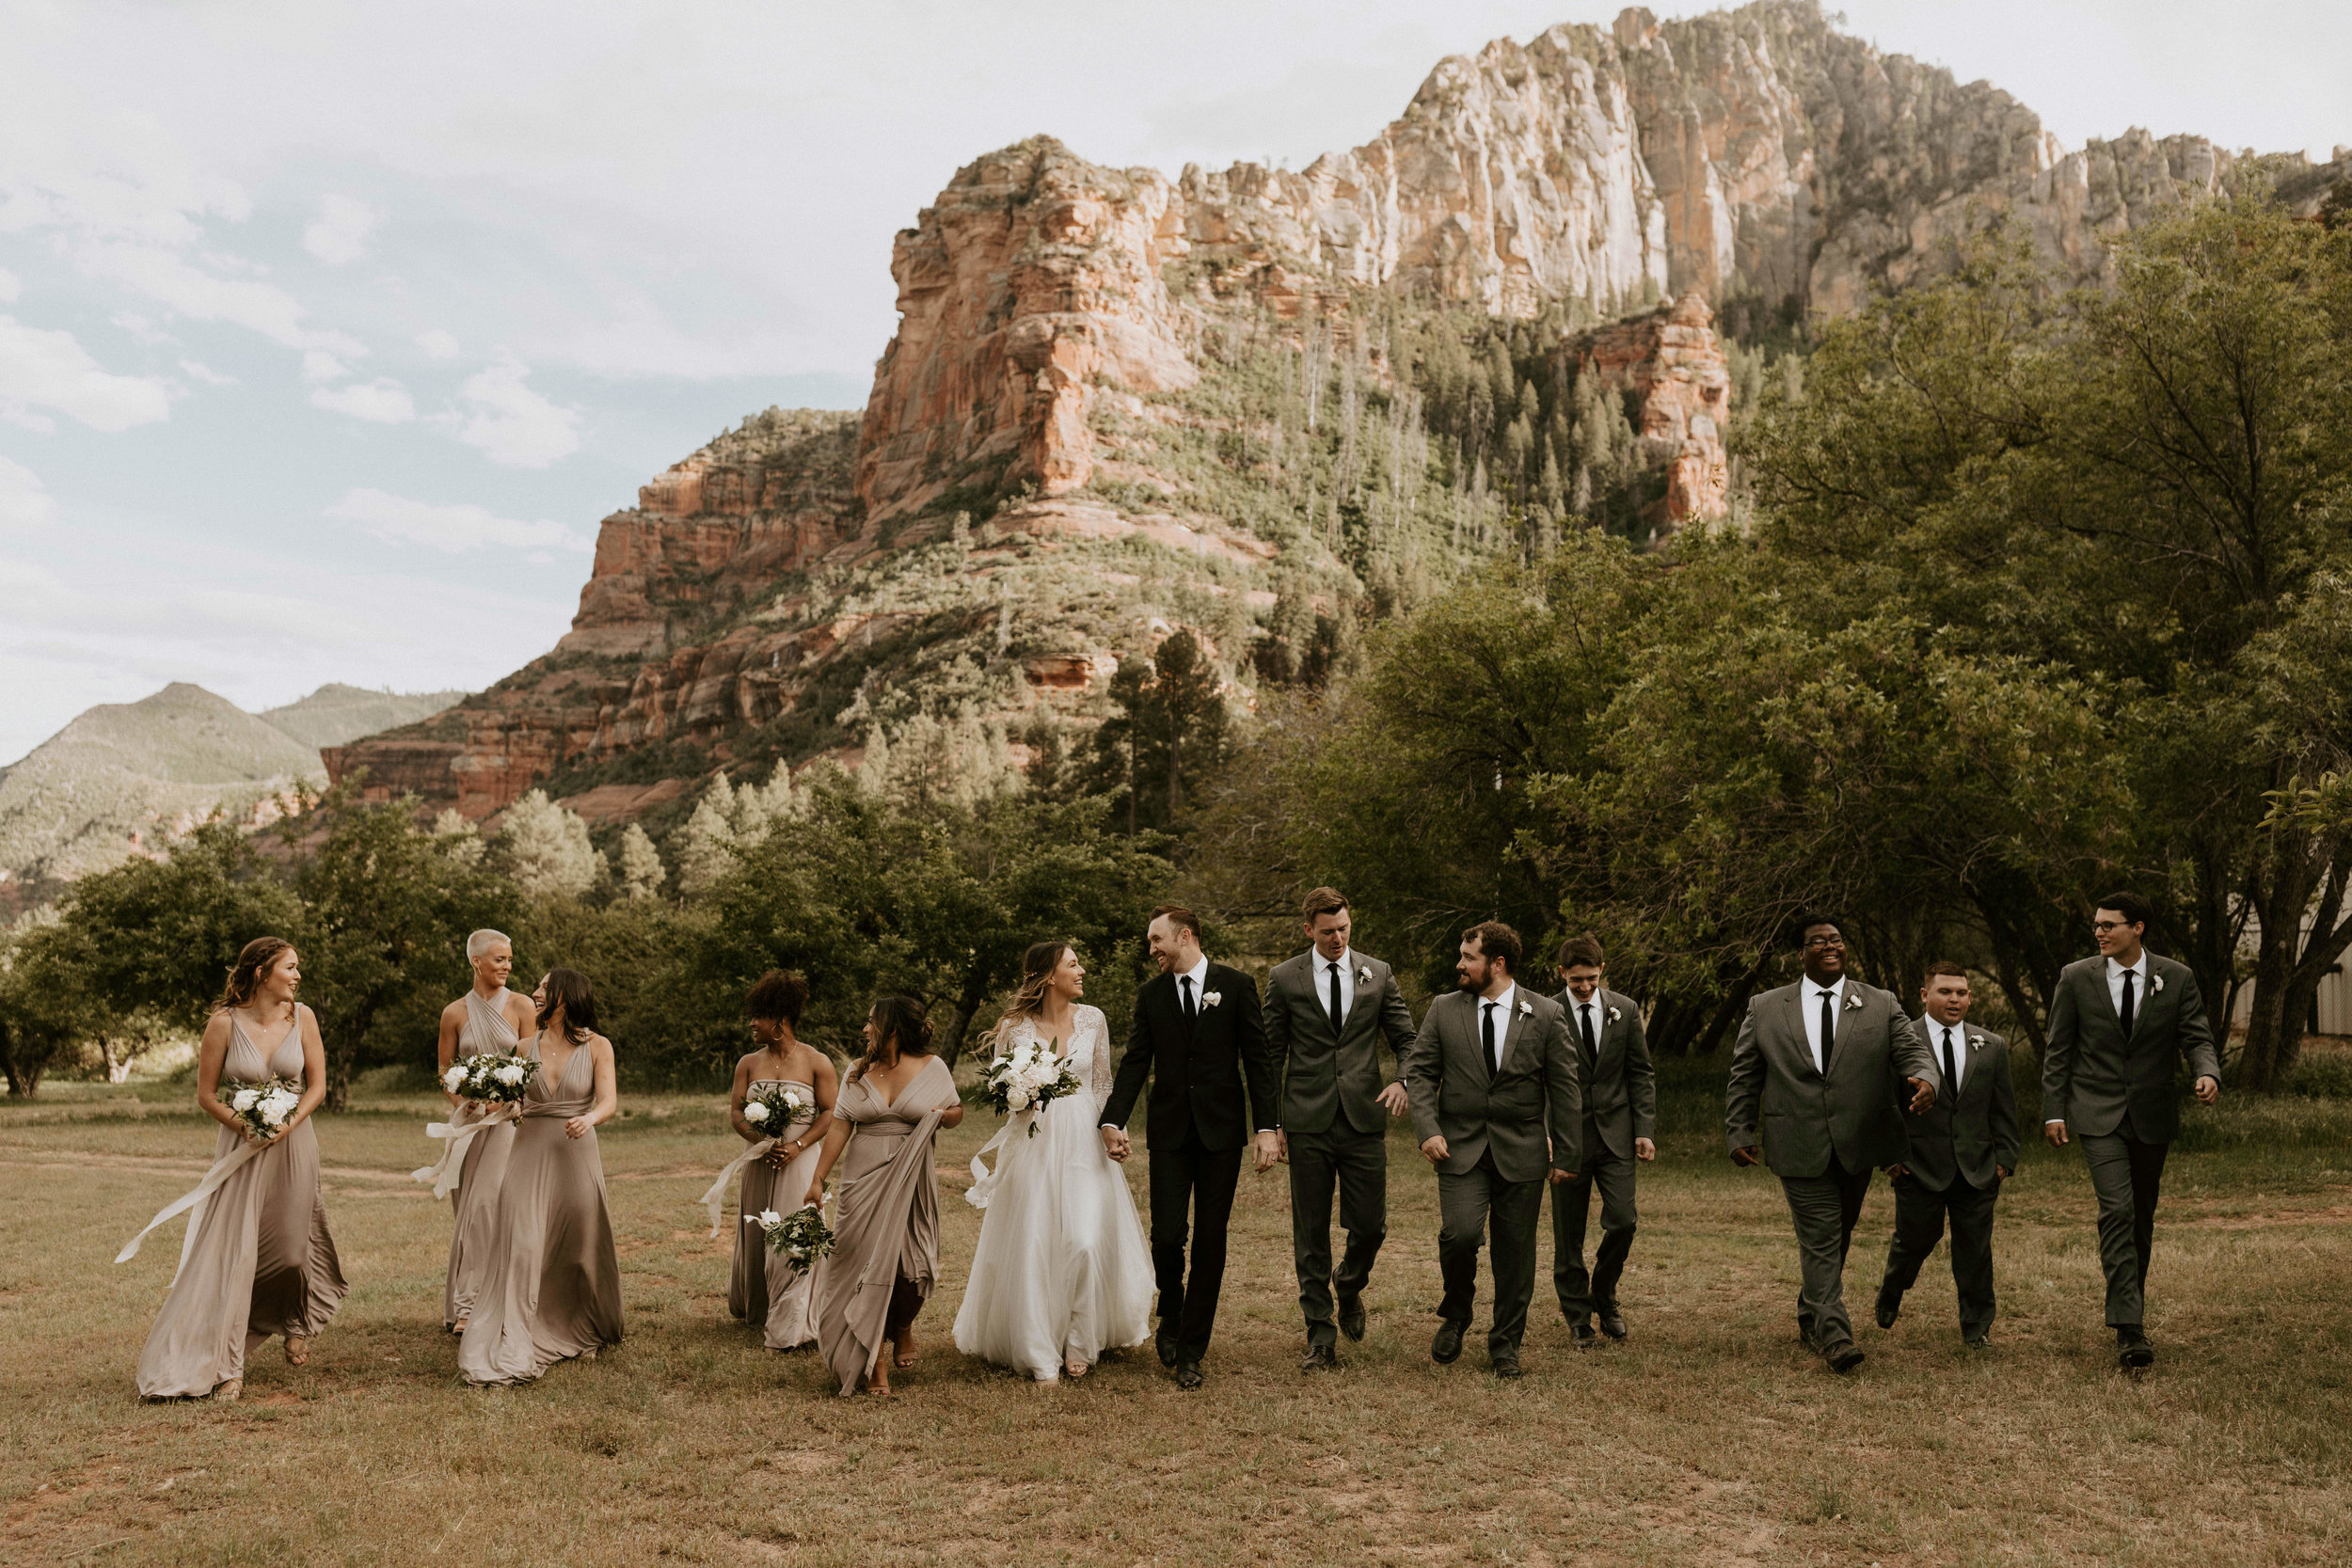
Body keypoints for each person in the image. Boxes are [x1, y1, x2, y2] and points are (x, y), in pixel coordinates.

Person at [135, 937, 347, 1402]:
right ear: (260, 972)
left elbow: (318, 1086)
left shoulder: (303, 1017)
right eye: (290, 967)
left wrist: (285, 1124)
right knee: (238, 1255)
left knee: (292, 1252)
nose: (297, 976)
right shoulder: (223, 1024)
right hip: (242, 1144)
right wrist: (247, 1124)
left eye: (297, 968)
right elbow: (207, 1095)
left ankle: (292, 1319)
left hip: (295, 1144)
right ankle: (229, 1367)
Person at [1726, 913, 1937, 1373]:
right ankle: (1836, 1336)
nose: (1830, 946)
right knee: (1821, 1236)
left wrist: (1926, 1078)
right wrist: (1739, 1130)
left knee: (1838, 1234)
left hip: (1860, 1141)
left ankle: (1811, 1310)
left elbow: (1911, 1049)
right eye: (1818, 941)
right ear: (1800, 954)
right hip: (1796, 1140)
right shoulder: (1765, 1007)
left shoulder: (1879, 1002)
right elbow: (1746, 1074)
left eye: (1837, 940)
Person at [954, 942, 1153, 1381]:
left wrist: (1114, 1129)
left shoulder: (1094, 1019)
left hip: (1084, 1138)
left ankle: (1080, 1339)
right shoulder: (1014, 1027)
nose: (1082, 970)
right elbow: (1003, 1091)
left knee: (1083, 1241)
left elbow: (1102, 1085)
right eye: (1073, 964)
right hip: (1034, 1141)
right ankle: (1038, 1342)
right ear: (1048, 976)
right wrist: (1020, 1092)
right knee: (1036, 1241)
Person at [1099, 905, 1279, 1390]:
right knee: (1167, 1237)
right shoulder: (1151, 995)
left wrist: (1267, 1127)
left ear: (1185, 936)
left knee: (1210, 1241)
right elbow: (1136, 1061)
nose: (1151, 949)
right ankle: (1172, 1313)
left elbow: (1258, 1061)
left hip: (1221, 1135)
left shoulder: (1237, 985)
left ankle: (1192, 1349)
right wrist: (1113, 1117)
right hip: (1170, 1132)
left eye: (1157, 940)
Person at [2041, 893, 2221, 1370]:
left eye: (2109, 925)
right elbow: (2059, 1049)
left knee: (2141, 1215)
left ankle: (2128, 1311)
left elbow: (2196, 1035)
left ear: (2137, 928)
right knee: (2117, 1209)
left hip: (2152, 1114)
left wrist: (2207, 1072)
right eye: (2096, 925)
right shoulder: (2076, 978)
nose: (2099, 932)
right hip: (2096, 1113)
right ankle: (2129, 1326)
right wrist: (2053, 1111)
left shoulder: (2176, 976)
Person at [1402, 920, 1581, 1379]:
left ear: (1497, 964)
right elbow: (1420, 1073)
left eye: (1469, 957)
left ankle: (1505, 1345)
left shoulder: (1544, 1013)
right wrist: (1427, 1129)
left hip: (1522, 1150)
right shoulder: (1444, 1009)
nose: (1460, 965)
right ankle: (1458, 1310)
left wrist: (1567, 1153)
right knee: (1460, 1235)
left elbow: (1564, 1089)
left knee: (1515, 1253)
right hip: (1458, 1147)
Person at [1261, 887, 1415, 1370]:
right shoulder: (1284, 978)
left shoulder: (1379, 972)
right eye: (1327, 932)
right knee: (1310, 1230)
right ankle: (1320, 1337)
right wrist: (1272, 1123)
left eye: (1344, 929)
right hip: (1307, 1120)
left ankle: (1348, 1284)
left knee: (1370, 1225)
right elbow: (1270, 1056)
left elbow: (1407, 1039)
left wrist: (1402, 1079)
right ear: (1309, 930)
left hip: (1363, 1116)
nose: (1338, 939)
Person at [458, 969, 624, 1386]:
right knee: (524, 1243)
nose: (534, 992)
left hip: (575, 1154)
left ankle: (578, 1320)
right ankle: (517, 1328)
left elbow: (609, 1101)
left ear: (565, 997)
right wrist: (484, 1101)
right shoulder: (522, 1046)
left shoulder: (599, 1046)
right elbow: (510, 1104)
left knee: (576, 1245)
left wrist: (589, 1118)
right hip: (528, 1154)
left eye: (544, 988)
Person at [810, 996, 963, 1395]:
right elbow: (841, 1126)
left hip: (913, 1179)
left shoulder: (933, 1068)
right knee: (864, 1267)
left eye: (871, 1022)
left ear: (892, 1029)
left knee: (917, 1267)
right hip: (863, 1180)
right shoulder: (856, 1072)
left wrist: (943, 1117)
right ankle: (875, 1361)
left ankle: (902, 1324)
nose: (864, 1029)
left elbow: (956, 1111)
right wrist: (818, 1179)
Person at [1875, 961, 2019, 1349]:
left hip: (1976, 1170)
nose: (1955, 999)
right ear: (1925, 995)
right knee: (1916, 1240)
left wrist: (2004, 1162)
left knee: (1974, 1251)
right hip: (1918, 1168)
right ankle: (1894, 1285)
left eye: (1962, 992)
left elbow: (2002, 1109)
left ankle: (1977, 1328)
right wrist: (1891, 1161)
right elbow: (1883, 1105)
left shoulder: (1990, 1046)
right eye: (1945, 991)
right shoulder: (1901, 1041)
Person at [1549, 933, 1657, 1347]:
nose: (1585, 987)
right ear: (1562, 973)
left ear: (1602, 971)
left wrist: (1644, 1129)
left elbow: (1640, 1073)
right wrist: (1546, 1134)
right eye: (1576, 979)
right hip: (1566, 1139)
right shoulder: (1546, 1012)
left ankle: (1604, 1292)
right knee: (1569, 1234)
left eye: (1592, 979)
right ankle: (1578, 1318)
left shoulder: (1625, 1010)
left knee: (1624, 1220)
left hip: (1616, 1136)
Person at [724, 971, 836, 1351]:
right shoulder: (747, 1063)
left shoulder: (817, 1062)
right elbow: (737, 1115)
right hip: (760, 1160)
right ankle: (763, 1305)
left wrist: (798, 1145)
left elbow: (829, 1114)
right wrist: (761, 1141)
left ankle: (796, 1318)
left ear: (780, 1021)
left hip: (800, 1160)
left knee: (796, 1234)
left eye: (758, 1016)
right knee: (759, 1232)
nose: (751, 1023)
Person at [435, 928, 537, 1334]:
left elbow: (532, 1065)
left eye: (510, 960)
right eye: (499, 959)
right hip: (468, 1126)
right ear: (477, 961)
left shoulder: (522, 1006)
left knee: (487, 1207)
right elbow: (445, 1071)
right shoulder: (454, 1013)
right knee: (468, 1212)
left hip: (509, 1123)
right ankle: (473, 1299)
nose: (507, 966)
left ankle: (470, 1306)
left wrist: (506, 1100)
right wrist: (466, 1105)